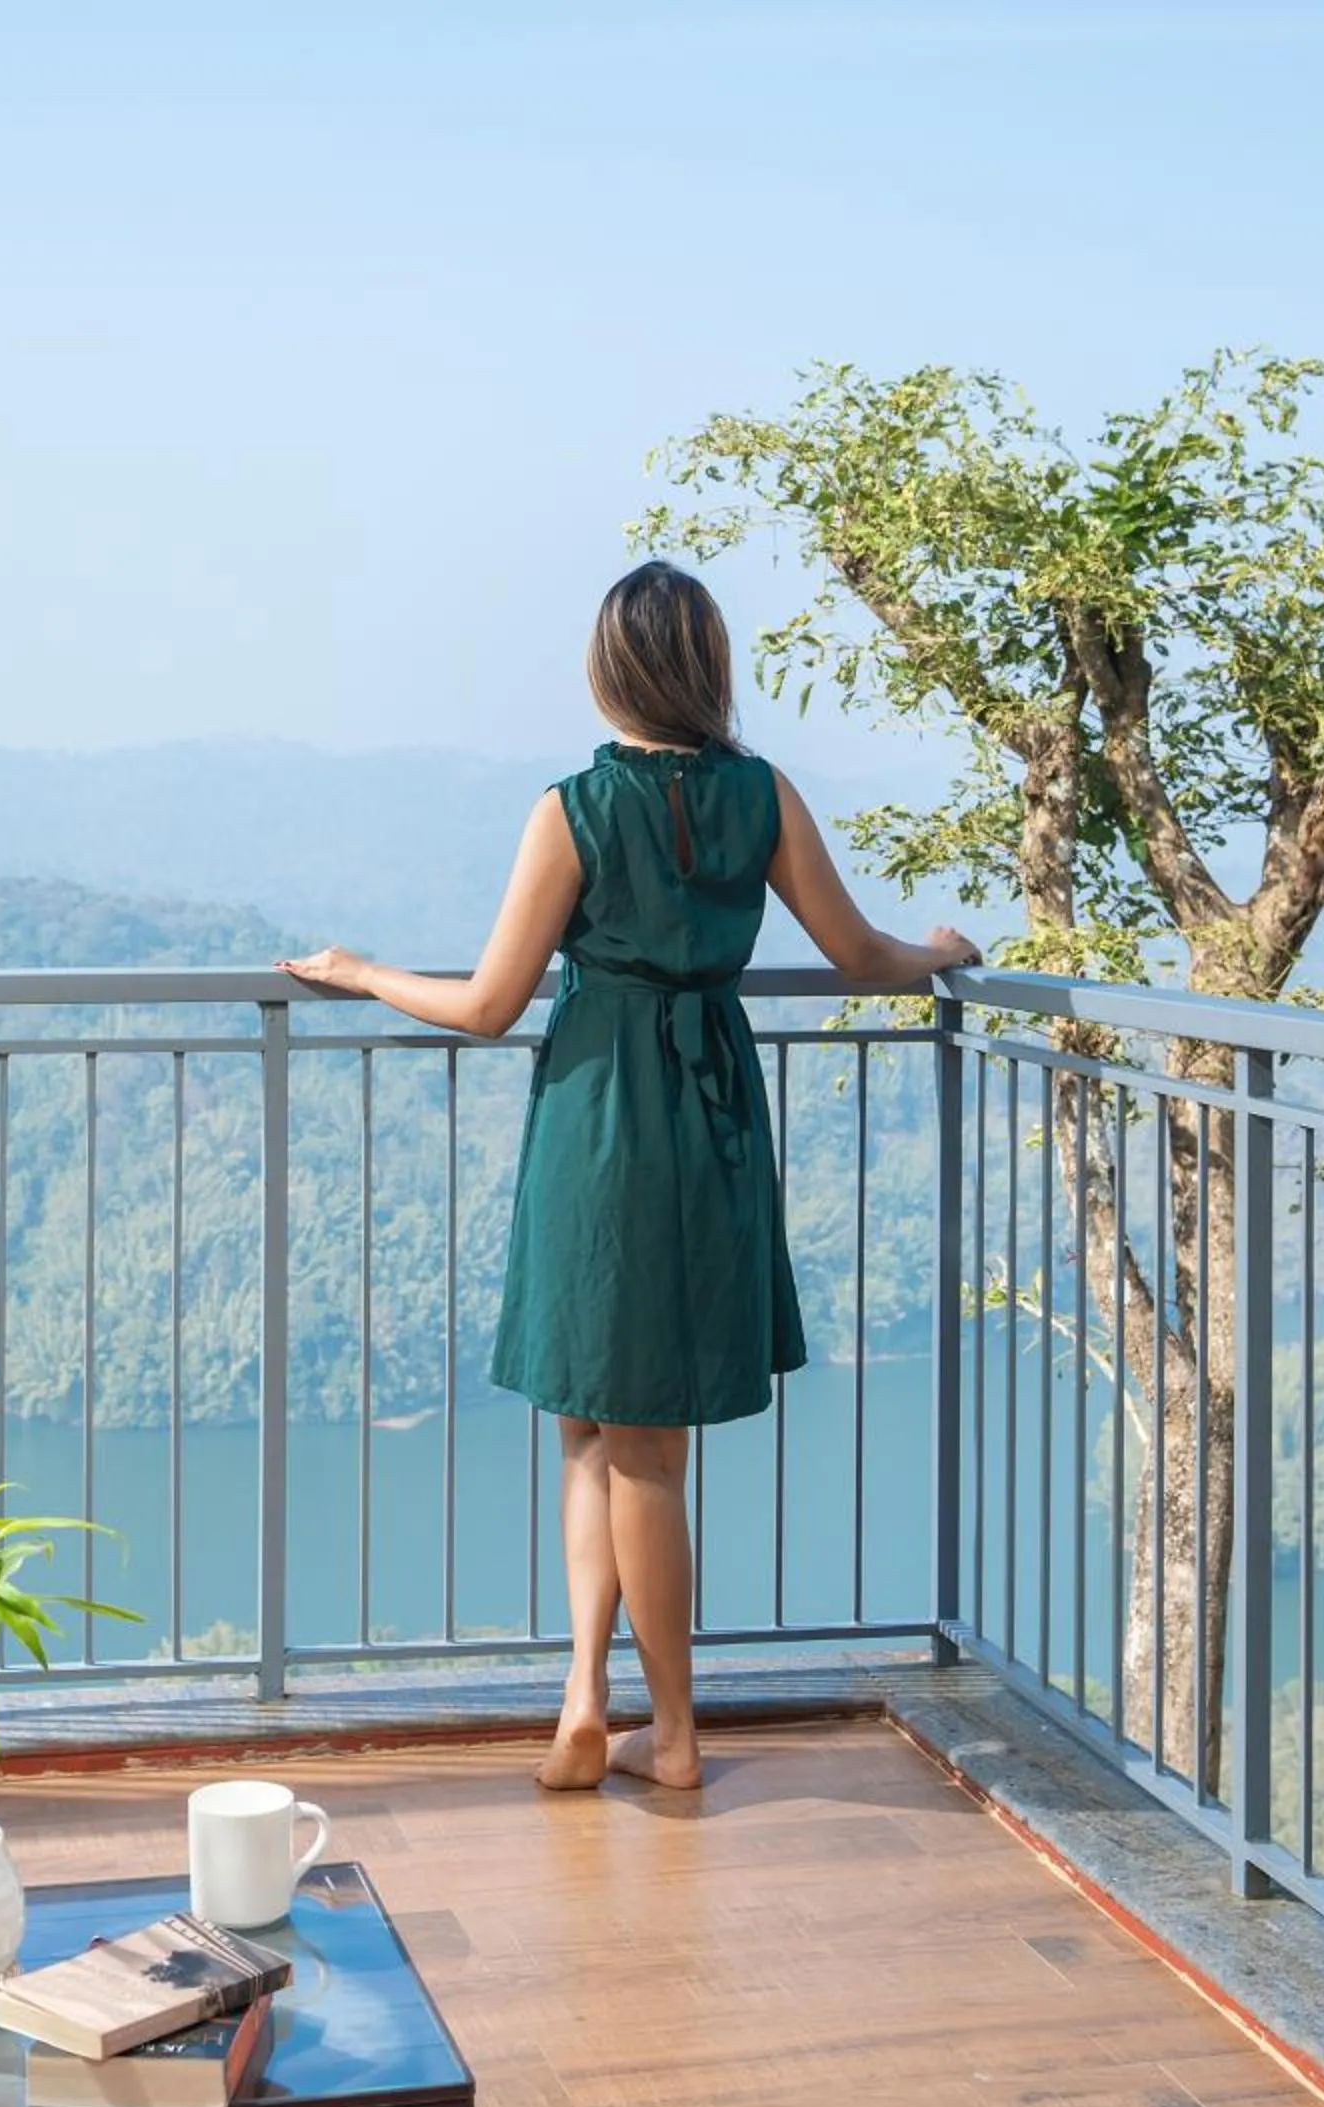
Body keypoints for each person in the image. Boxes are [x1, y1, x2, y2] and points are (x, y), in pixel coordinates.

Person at [276, 561, 977, 1792]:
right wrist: (938, 952)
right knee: (642, 1442)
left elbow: (490, 1004)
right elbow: (859, 954)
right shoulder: (763, 796)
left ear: (608, 670)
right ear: (707, 667)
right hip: (710, 1117)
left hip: (596, 1121)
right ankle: (618, 1712)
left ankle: (627, 1717)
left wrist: (362, 971)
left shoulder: (573, 810)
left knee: (594, 1434)